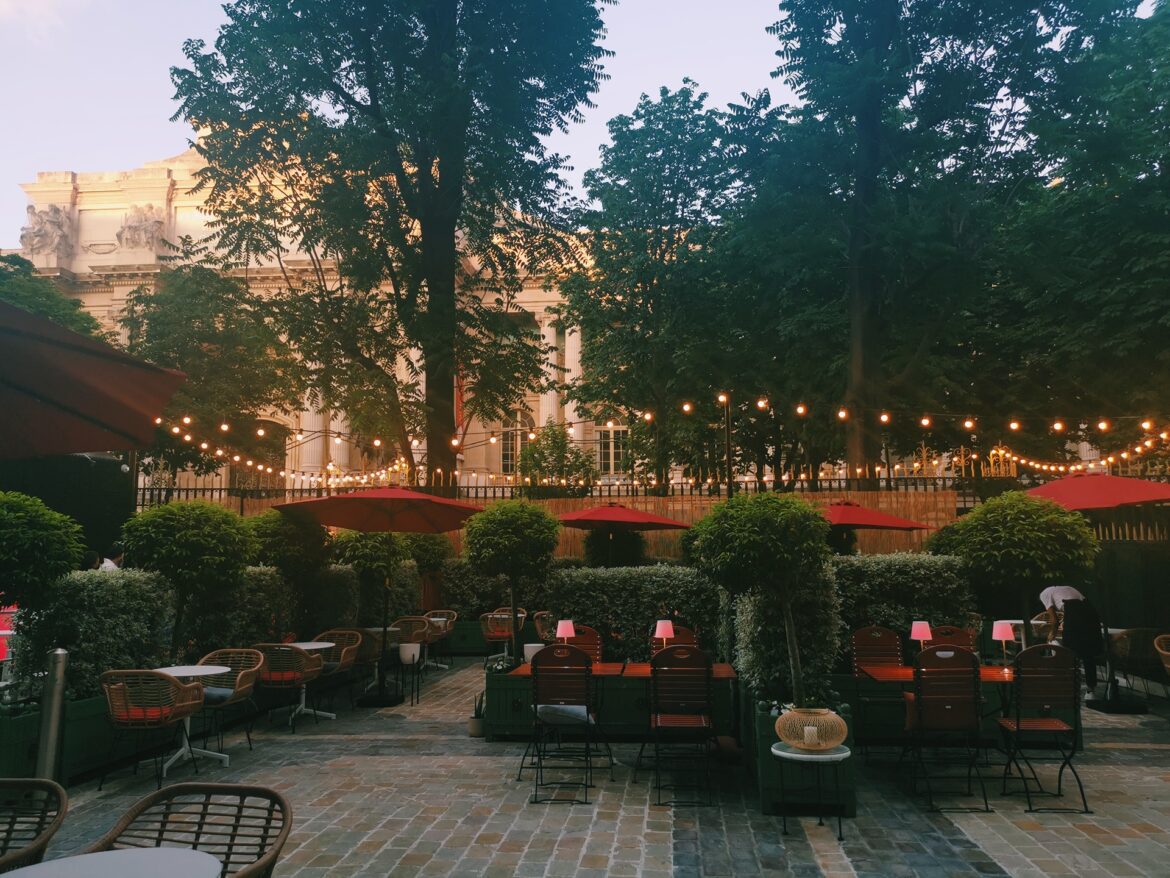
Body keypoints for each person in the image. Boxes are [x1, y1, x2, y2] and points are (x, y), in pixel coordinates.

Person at [1039, 584, 1103, 692]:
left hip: (1074, 610)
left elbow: (1055, 620)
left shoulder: (1044, 594)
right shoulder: (1065, 588)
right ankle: (1091, 689)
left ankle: (1068, 686)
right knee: (1088, 652)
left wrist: (1051, 634)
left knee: (1069, 651)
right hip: (1090, 610)